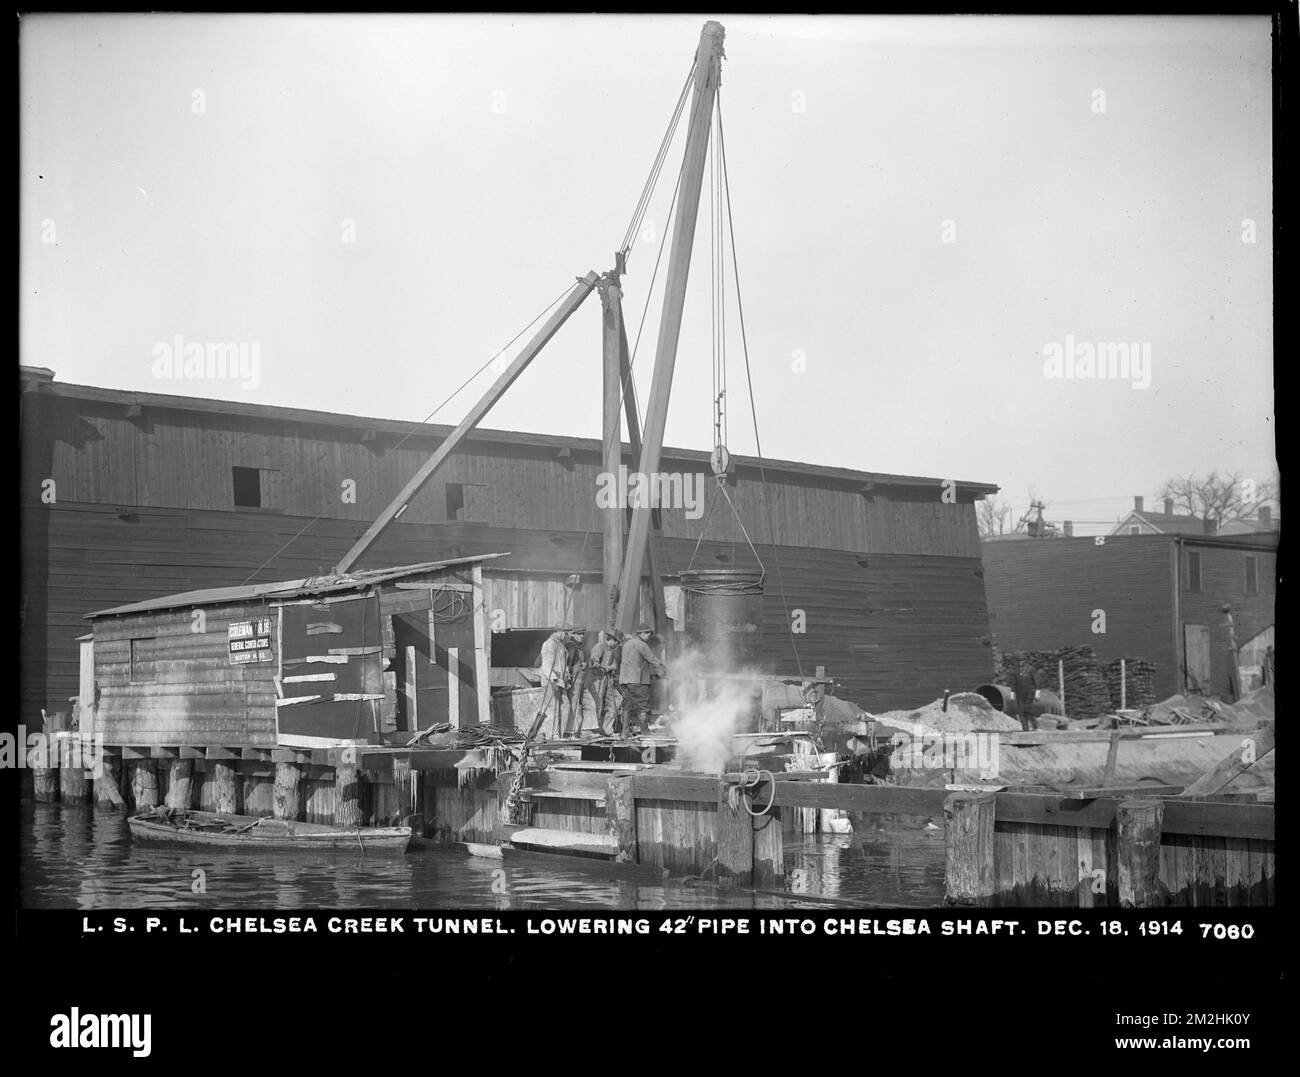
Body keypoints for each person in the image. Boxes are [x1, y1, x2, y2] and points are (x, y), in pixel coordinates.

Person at [527, 627, 574, 741]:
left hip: (560, 681)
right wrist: (553, 680)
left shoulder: (560, 645)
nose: (566, 635)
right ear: (557, 631)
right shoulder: (549, 644)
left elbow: (563, 663)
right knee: (553, 708)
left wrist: (566, 673)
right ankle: (552, 735)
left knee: (566, 705)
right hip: (551, 681)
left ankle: (561, 733)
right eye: (564, 632)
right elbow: (547, 665)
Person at [618, 624, 665, 738]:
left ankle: (624, 732)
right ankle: (645, 732)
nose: (648, 637)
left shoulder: (626, 645)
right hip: (638, 681)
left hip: (624, 681)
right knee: (642, 707)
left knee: (627, 707)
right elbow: (652, 659)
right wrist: (661, 670)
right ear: (642, 634)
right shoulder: (641, 645)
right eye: (648, 634)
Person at [585, 627, 624, 735]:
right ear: (612, 640)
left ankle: (606, 729)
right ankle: (594, 729)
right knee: (597, 704)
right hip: (597, 679)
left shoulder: (611, 651)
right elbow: (593, 661)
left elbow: (614, 666)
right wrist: (600, 665)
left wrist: (610, 668)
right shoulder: (599, 646)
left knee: (614, 704)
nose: (617, 645)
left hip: (607, 680)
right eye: (617, 643)